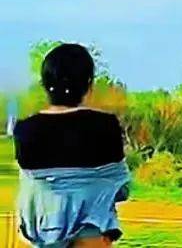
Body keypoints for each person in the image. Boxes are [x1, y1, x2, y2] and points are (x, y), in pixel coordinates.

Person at [14, 43, 130, 248]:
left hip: (45, 231)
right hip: (92, 231)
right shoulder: (105, 125)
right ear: (88, 84)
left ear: (45, 83)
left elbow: (32, 185)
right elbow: (119, 184)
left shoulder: (25, 130)